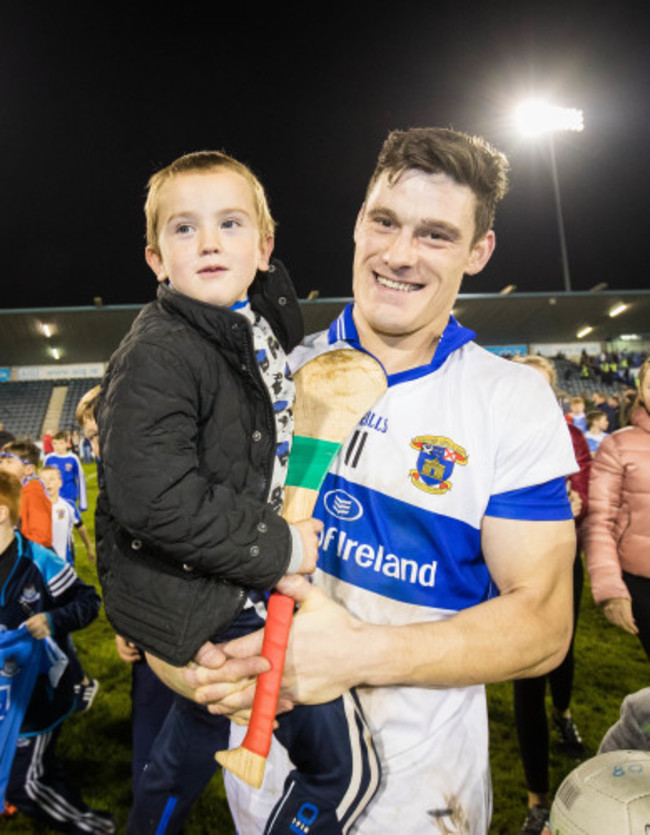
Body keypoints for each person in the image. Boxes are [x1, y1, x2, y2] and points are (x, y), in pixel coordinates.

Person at [151, 127, 578, 835]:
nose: (400, 254)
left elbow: (544, 624)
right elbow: (178, 555)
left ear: (479, 253)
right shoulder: (267, 374)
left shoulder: (510, 398)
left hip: (423, 801)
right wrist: (182, 659)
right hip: (262, 781)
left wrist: (356, 653)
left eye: (437, 235)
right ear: (358, 222)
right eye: (384, 221)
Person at [95, 150, 380, 834]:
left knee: (185, 754)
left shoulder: (247, 324)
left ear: (264, 245)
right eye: (185, 230)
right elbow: (153, 495)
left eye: (230, 224)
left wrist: (264, 273)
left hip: (223, 586)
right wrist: (279, 544)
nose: (211, 241)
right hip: (217, 592)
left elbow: (276, 311)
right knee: (339, 769)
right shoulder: (160, 350)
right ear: (156, 259)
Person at [0, 471, 114, 833]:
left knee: (25, 784)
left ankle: (93, 827)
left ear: (1, 512)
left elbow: (88, 600)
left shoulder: (40, 562)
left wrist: (53, 619)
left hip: (37, 698)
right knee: (37, 771)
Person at [76, 384, 175, 793]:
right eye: (90, 439)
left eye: (99, 435)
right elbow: (120, 567)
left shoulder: (167, 478)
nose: (96, 448)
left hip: (180, 633)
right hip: (145, 638)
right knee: (152, 753)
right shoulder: (113, 487)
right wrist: (122, 625)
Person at [510, 355, 590, 835]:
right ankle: (536, 797)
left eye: (542, 387)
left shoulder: (573, 436)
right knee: (526, 670)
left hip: (563, 557)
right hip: (514, 564)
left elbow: (580, 486)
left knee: (562, 652)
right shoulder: (494, 430)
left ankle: (563, 712)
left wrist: (577, 502)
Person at [583, 356, 650, 660]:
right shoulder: (618, 445)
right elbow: (600, 521)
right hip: (642, 581)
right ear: (641, 390)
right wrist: (610, 588)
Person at [0, 437, 52, 548]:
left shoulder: (33, 494)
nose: (2, 466)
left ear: (28, 470)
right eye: (1, 462)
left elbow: (41, 538)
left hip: (23, 560)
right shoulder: (7, 492)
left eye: (9, 462)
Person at [40, 465, 95, 566]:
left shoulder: (68, 505)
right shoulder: (33, 507)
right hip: (42, 560)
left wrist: (89, 548)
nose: (47, 483)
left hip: (65, 559)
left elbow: (81, 527)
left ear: (60, 483)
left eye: (51, 479)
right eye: (43, 480)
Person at [44, 430, 88, 512]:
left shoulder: (73, 458)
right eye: (55, 443)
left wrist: (83, 503)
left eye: (60, 443)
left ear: (66, 443)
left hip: (70, 498)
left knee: (68, 523)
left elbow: (81, 478)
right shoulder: (48, 459)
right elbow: (42, 480)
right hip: (53, 498)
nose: (57, 446)